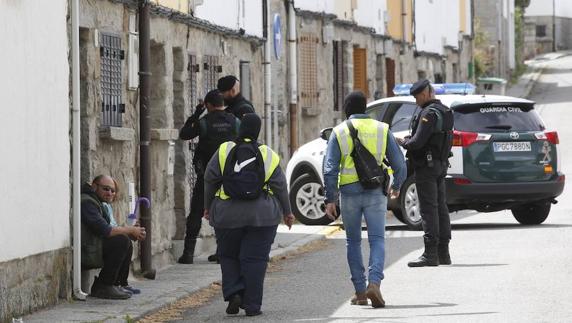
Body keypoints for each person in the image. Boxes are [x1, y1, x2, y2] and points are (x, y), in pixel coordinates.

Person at [203, 113, 295, 316]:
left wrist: (208, 206)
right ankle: (252, 305)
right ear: (258, 131)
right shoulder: (268, 154)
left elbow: (209, 179)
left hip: (227, 215)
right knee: (255, 259)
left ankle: (235, 292)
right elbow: (280, 186)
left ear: (239, 128)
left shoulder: (224, 150)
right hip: (262, 216)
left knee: (228, 255)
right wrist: (287, 212)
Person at [323, 91, 406, 308]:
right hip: (375, 191)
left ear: (346, 110)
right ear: (365, 108)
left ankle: (360, 291)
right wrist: (396, 186)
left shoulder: (338, 132)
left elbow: (330, 169)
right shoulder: (382, 129)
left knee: (353, 241)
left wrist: (330, 199)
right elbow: (400, 165)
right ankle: (375, 284)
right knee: (377, 239)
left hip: (349, 193)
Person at [178, 89, 240, 264]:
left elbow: (184, 134)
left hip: (207, 176)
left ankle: (188, 254)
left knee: (196, 213)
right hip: (229, 177)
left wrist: (197, 113)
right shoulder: (235, 122)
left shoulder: (204, 123)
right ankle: (222, 252)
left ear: (208, 105)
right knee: (226, 213)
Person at [398, 79, 454, 267]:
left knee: (429, 209)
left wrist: (403, 142)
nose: (416, 101)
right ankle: (444, 254)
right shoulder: (445, 111)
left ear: (424, 94)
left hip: (426, 167)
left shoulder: (428, 114)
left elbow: (417, 143)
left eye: (416, 97)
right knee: (441, 208)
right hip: (440, 164)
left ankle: (430, 254)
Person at [81, 175, 146, 299]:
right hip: (86, 251)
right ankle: (104, 285)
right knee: (121, 241)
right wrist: (130, 230)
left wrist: (132, 232)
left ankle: (118, 284)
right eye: (106, 189)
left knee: (125, 240)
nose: (110, 193)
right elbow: (105, 230)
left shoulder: (101, 204)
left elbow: (110, 230)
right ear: (94, 187)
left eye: (113, 191)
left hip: (94, 246)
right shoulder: (87, 202)